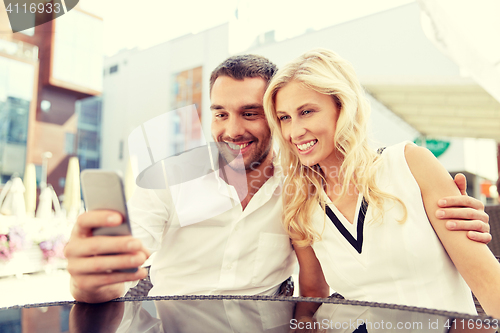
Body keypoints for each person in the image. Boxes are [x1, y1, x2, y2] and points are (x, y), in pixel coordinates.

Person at [64, 54, 491, 304]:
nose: (232, 129)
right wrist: (91, 277)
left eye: (251, 113)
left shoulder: (301, 187)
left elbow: (318, 285)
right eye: (219, 112)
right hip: (171, 322)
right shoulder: (170, 177)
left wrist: (448, 220)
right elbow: (121, 265)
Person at [263, 48, 500, 316]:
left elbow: (489, 283)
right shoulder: (302, 206)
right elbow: (312, 301)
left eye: (306, 112)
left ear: (342, 107)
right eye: (284, 118)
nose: (294, 131)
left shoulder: (410, 164)